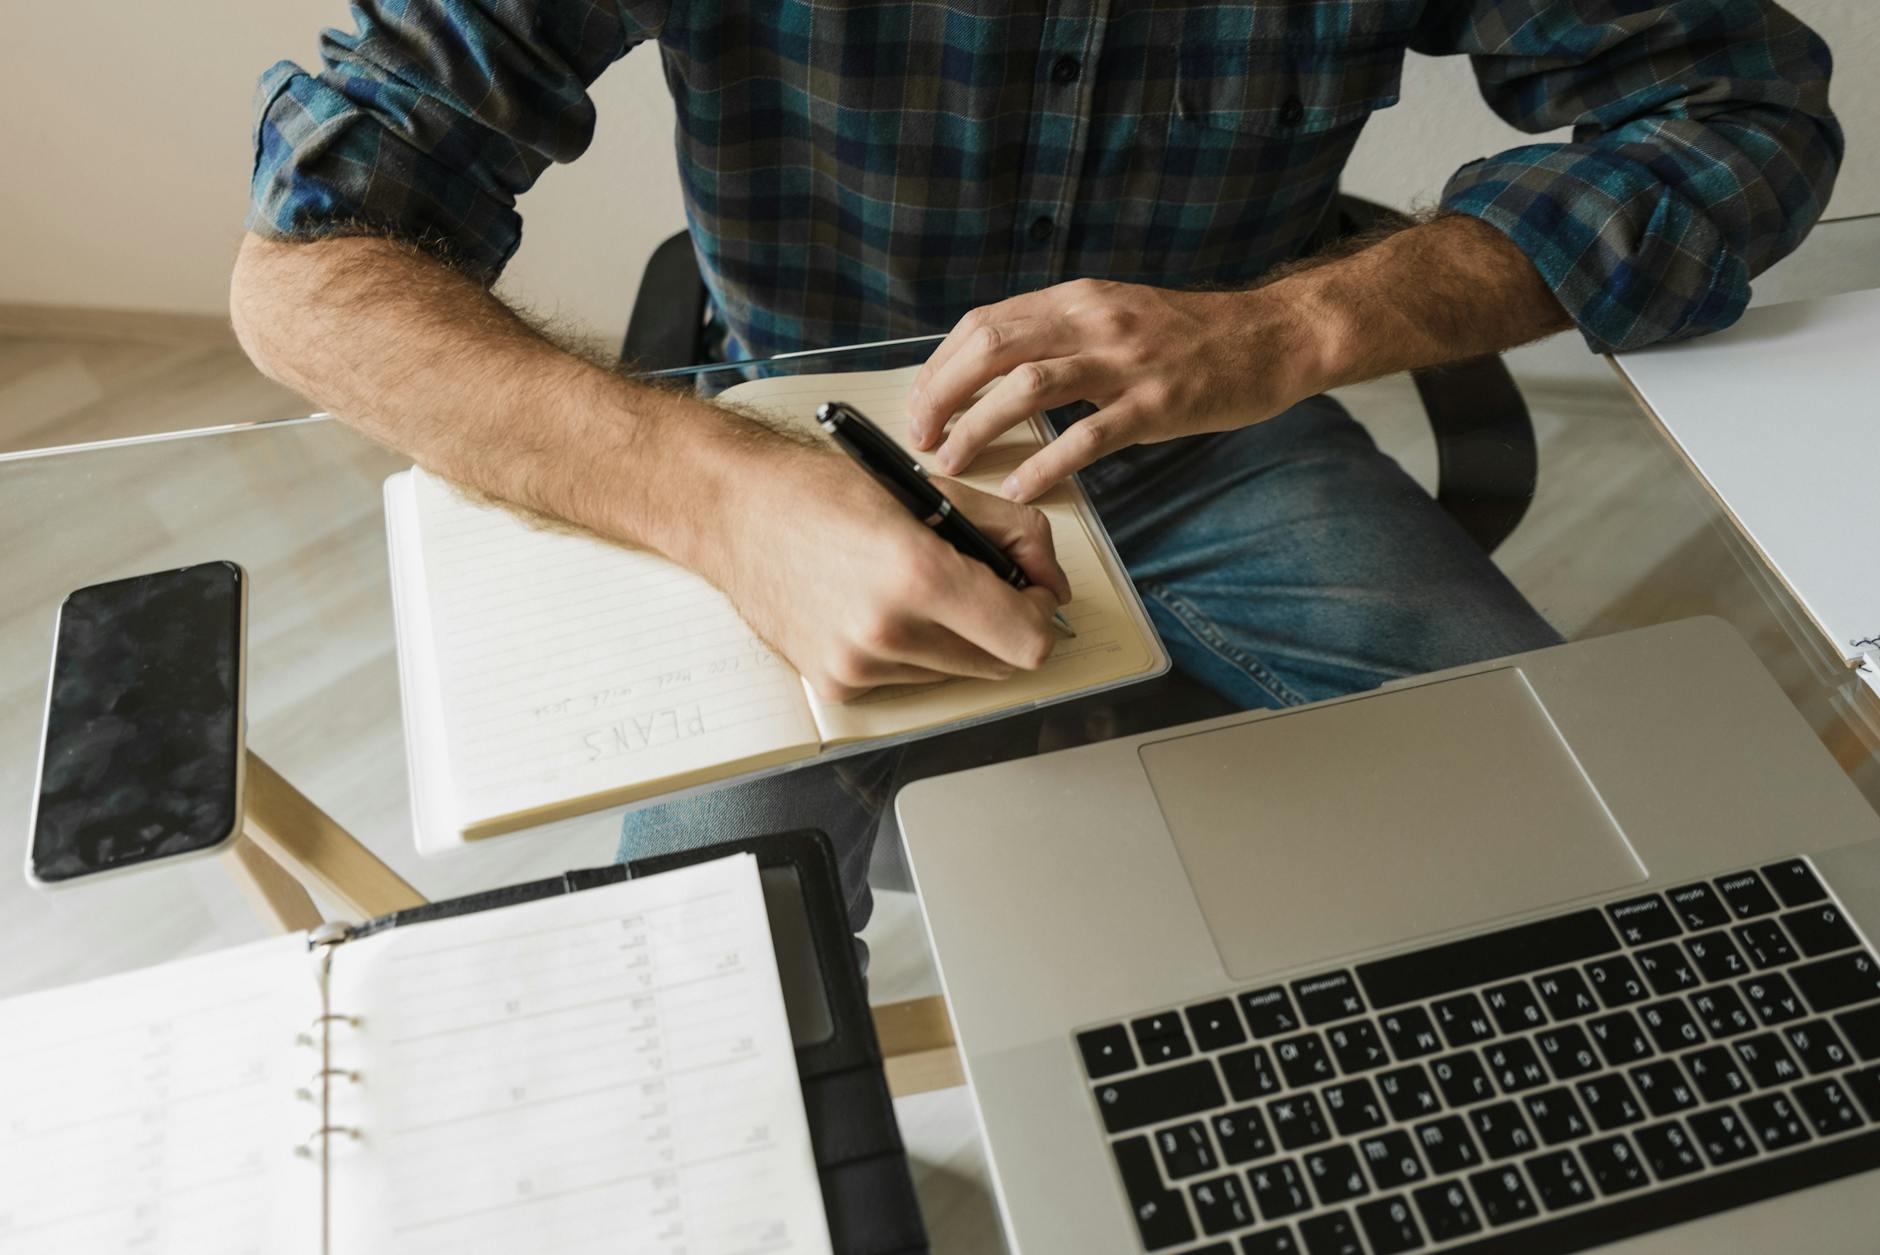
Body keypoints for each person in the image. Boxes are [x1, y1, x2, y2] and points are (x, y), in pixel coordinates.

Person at [233, 1, 1840, 926]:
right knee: (695, 968)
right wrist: (725, 495)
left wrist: (1288, 334)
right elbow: (303, 271)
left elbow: (1741, 115)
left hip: (1220, 434)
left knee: (1639, 864)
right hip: (792, 439)